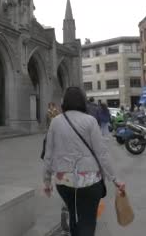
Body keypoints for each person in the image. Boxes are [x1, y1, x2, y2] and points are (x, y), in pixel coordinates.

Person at [43, 87, 125, 236]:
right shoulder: (90, 121)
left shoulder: (55, 122)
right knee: (87, 221)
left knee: (74, 217)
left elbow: (49, 154)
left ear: (64, 102)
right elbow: (102, 153)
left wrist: (47, 181)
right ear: (83, 101)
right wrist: (115, 179)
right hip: (89, 181)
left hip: (64, 182)